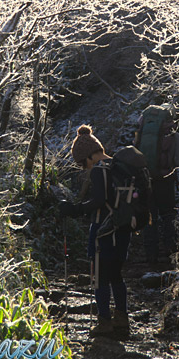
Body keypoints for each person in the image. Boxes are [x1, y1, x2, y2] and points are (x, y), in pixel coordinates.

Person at [60, 124, 131, 338]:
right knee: (116, 274)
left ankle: (104, 322)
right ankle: (122, 319)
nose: (84, 168)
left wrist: (76, 209)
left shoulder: (99, 170)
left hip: (103, 230)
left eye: (82, 162)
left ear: (89, 155)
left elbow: (99, 201)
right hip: (124, 228)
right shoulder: (119, 166)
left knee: (99, 276)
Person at [134, 110, 179, 264]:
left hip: (146, 181)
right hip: (166, 181)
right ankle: (171, 252)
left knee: (150, 218)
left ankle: (151, 255)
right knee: (168, 215)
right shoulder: (175, 137)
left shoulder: (140, 135)